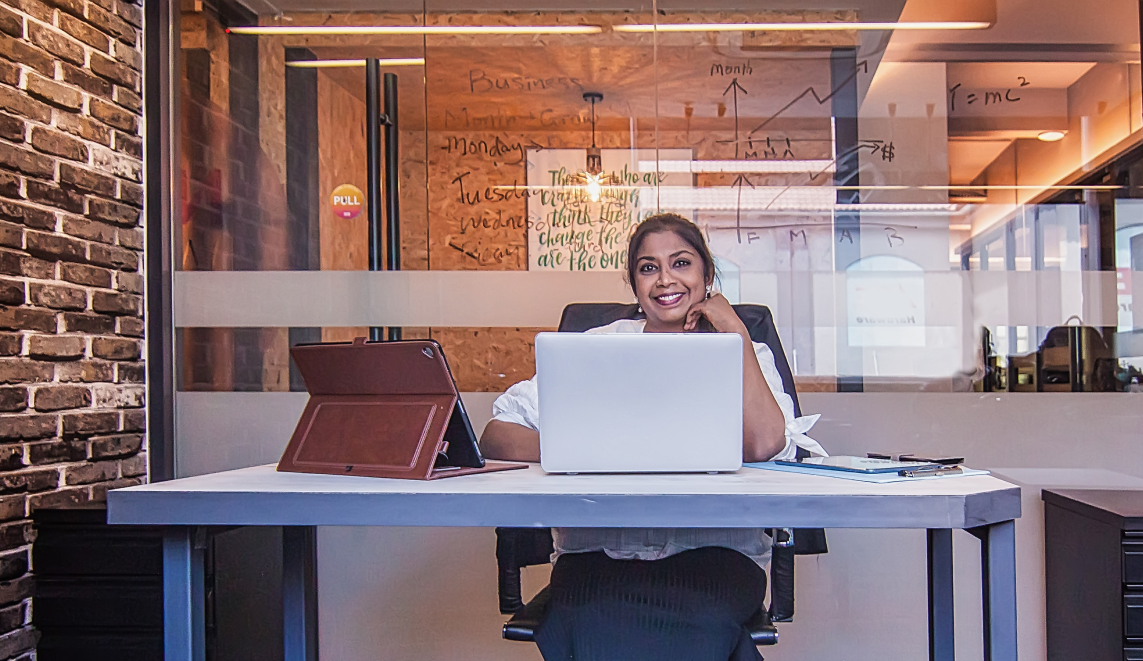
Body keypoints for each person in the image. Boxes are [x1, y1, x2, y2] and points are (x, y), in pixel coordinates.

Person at [480, 213, 824, 661]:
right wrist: (590, 449)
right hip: (599, 558)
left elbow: (763, 444)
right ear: (635, 283)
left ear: (707, 274)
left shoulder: (746, 350)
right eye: (648, 267)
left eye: (681, 263)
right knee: (591, 616)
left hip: (714, 556)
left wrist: (735, 330)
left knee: (691, 621)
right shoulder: (595, 347)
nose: (665, 279)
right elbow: (496, 436)